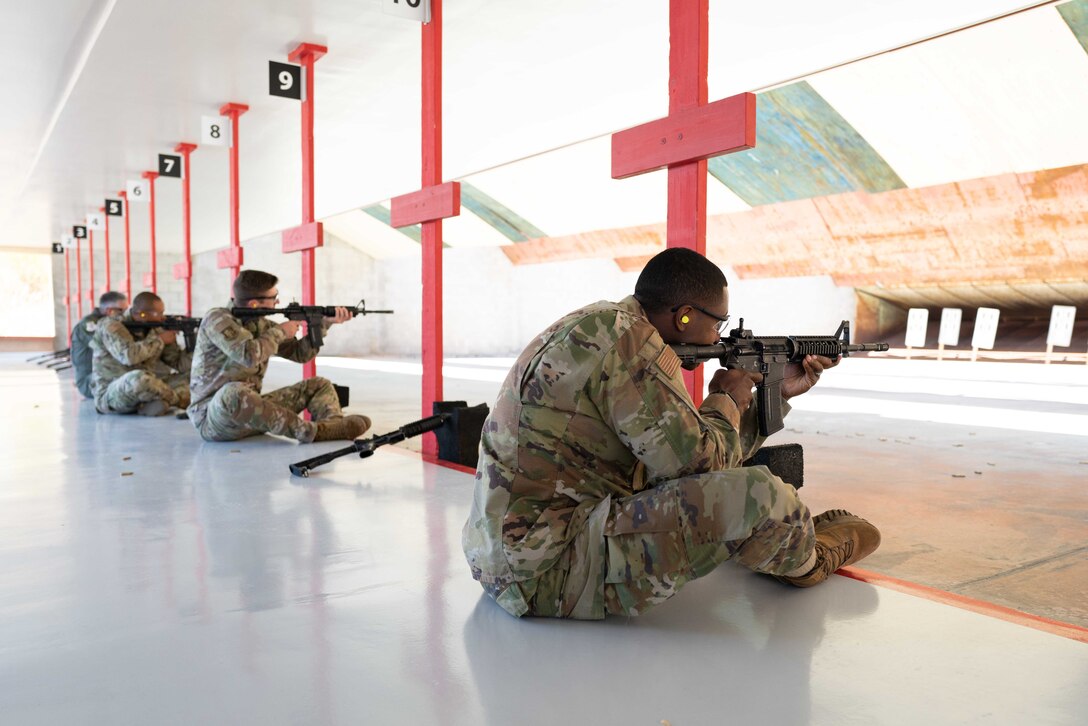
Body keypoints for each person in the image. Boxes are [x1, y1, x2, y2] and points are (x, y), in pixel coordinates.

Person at [462, 248, 880, 619]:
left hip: (513, 555)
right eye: (718, 323)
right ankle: (810, 562)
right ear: (684, 315)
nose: (719, 336)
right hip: (550, 569)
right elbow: (696, 467)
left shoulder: (603, 325)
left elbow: (676, 449)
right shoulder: (631, 343)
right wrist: (728, 396)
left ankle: (784, 539)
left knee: (737, 485)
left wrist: (778, 395)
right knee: (761, 494)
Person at [187, 269, 371, 443]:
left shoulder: (262, 325)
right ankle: (309, 431)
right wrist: (280, 331)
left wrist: (323, 324)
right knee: (233, 393)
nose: (277, 302)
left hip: (252, 415)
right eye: (274, 297)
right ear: (254, 304)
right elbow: (248, 355)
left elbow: (300, 354)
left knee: (318, 385)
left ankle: (333, 428)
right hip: (215, 420)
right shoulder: (217, 318)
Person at [90, 291, 191, 416]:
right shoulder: (110, 325)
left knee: (196, 377)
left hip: (151, 387)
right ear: (141, 314)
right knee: (138, 379)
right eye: (158, 313)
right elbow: (128, 356)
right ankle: (176, 400)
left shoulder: (156, 327)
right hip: (114, 391)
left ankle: (153, 403)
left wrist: (192, 341)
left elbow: (177, 363)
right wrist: (160, 340)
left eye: (162, 312)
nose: (162, 317)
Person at [71, 291, 128, 398]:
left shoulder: (113, 322)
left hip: (105, 374)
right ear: (110, 311)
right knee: (132, 379)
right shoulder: (88, 324)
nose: (125, 314)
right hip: (90, 381)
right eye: (122, 311)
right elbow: (111, 346)